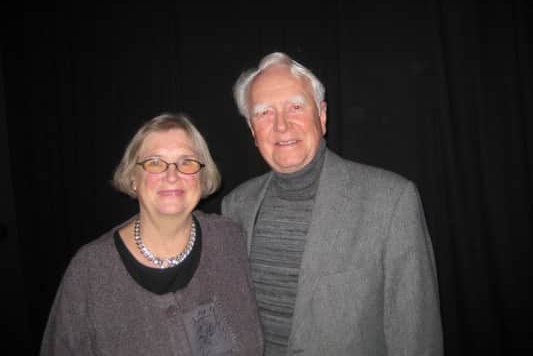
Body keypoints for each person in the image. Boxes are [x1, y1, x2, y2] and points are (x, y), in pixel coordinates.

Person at [221, 52, 443, 355]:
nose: (281, 125)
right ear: (252, 131)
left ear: (322, 116)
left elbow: (416, 337)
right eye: (264, 113)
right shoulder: (235, 206)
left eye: (296, 107)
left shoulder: (391, 201)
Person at [40, 113, 263, 355]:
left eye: (186, 162)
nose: (172, 175)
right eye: (155, 163)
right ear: (133, 178)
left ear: (202, 177)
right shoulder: (90, 272)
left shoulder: (230, 241)